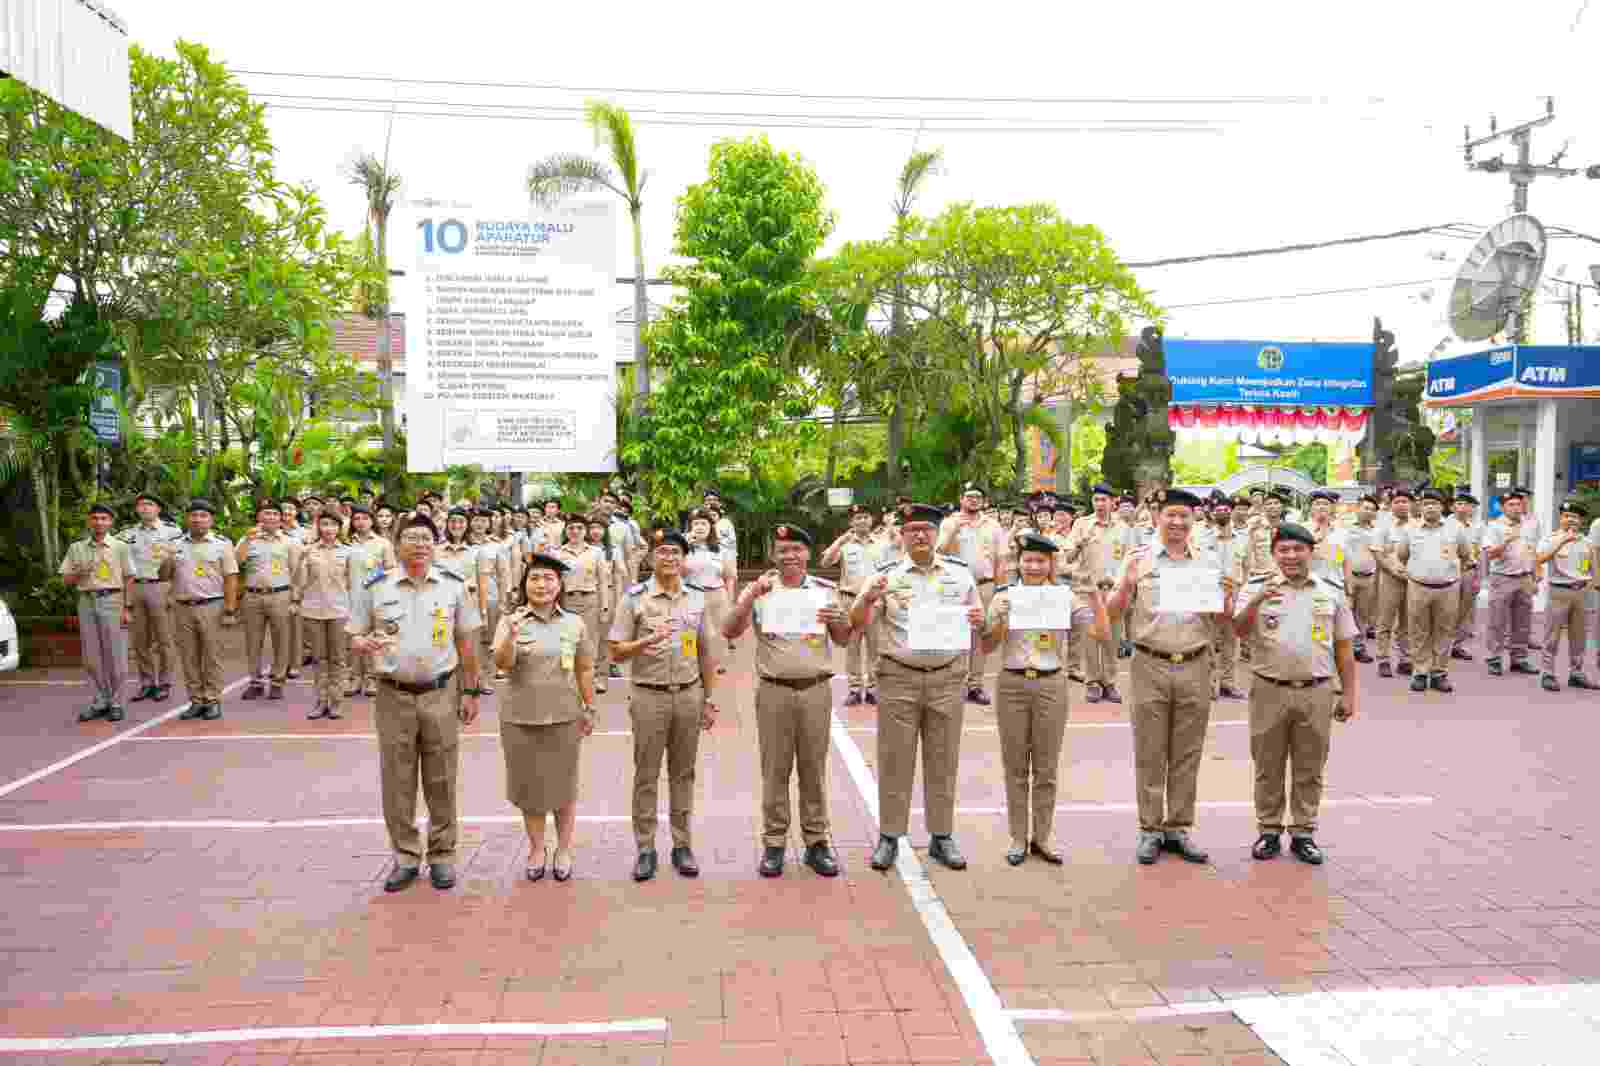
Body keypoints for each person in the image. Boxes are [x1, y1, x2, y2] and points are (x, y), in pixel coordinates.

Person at [347, 513, 483, 893]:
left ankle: (442, 855)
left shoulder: (453, 586)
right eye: (411, 538)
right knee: (397, 780)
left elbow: (467, 643)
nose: (419, 544)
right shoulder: (375, 586)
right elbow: (354, 635)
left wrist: (470, 691)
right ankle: (406, 857)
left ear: (435, 544)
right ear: (396, 544)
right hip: (393, 695)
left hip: (441, 691)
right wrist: (363, 643)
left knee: (441, 778)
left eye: (426, 537)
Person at [849, 503, 983, 873]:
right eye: (912, 530)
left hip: (945, 676)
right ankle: (890, 836)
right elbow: (856, 624)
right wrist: (866, 598)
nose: (920, 535)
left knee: (943, 758)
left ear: (937, 534)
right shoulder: (886, 576)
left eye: (926, 529)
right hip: (899, 676)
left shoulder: (959, 575)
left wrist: (979, 619)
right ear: (902, 536)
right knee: (895, 758)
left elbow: (979, 625)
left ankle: (942, 836)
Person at [1108, 488, 1230, 866]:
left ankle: (1178, 827)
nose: (1177, 522)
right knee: (1150, 749)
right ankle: (1149, 829)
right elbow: (1113, 613)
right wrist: (1127, 583)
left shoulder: (1208, 561)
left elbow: (1224, 619)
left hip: (1195, 661)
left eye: (1185, 516)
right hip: (1150, 663)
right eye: (1171, 514)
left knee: (1187, 751)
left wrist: (1227, 597)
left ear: (1193, 521)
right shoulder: (1138, 559)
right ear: (1157, 516)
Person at [723, 523, 852, 878]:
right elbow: (730, 630)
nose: (790, 556)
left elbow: (842, 639)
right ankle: (775, 843)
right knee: (775, 770)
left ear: (808, 554)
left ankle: (816, 843)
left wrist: (840, 619)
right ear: (773, 556)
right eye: (783, 551)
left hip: (815, 690)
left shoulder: (825, 592)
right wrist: (747, 597)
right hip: (774, 691)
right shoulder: (762, 591)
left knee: (813, 770)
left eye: (796, 549)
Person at [1233, 522, 1359, 865]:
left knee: (1310, 765)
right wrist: (1258, 599)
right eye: (1283, 550)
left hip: (1316, 690)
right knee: (1267, 765)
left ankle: (1304, 832)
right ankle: (1269, 830)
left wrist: (1348, 695)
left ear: (1310, 552)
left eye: (1297, 549)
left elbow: (1344, 649)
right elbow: (1238, 629)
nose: (1290, 556)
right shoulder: (1257, 587)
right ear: (1274, 555)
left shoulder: (1330, 591)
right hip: (1268, 688)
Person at [982, 532, 1110, 865]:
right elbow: (986, 646)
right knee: (1015, 766)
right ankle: (1017, 837)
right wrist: (1001, 622)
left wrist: (1094, 596)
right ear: (1019, 563)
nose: (1034, 566)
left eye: (1041, 561)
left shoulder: (1063, 598)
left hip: (1051, 683)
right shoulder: (1003, 597)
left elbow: (1099, 633)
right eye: (1028, 560)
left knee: (1046, 767)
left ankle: (1042, 836)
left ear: (1050, 564)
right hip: (1012, 683)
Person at [610, 529, 720, 881]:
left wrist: (710, 698)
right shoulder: (634, 599)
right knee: (646, 774)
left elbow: (706, 652)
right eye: (662, 552)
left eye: (675, 552)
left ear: (684, 559)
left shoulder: (697, 599)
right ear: (651, 558)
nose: (668, 558)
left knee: (683, 773)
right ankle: (645, 848)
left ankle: (682, 845)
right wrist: (647, 640)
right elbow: (615, 650)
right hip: (648, 694)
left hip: (688, 694)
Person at [493, 552, 596, 883]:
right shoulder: (510, 620)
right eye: (534, 578)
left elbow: (584, 667)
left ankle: (564, 849)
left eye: (548, 578)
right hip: (521, 717)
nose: (541, 584)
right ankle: (537, 848)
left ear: (559, 584)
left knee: (563, 787)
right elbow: (503, 663)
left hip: (565, 716)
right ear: (525, 584)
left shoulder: (574, 623)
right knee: (530, 789)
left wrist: (589, 706)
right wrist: (509, 635)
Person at [162, 500, 239, 721]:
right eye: (194, 515)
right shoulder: (175, 544)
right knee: (189, 657)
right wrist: (168, 559)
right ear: (187, 519)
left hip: (211, 606)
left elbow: (231, 578)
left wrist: (230, 609)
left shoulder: (222, 544)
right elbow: (164, 575)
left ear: (211, 520)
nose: (198, 519)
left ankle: (213, 700)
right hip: (182, 607)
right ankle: (195, 700)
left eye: (203, 515)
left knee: (212, 656)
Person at [60, 503, 134, 722]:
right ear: (89, 521)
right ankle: (101, 699)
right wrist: (78, 573)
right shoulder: (77, 548)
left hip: (112, 600)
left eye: (103, 518)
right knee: (92, 656)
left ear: (110, 522)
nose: (99, 522)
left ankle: (117, 702)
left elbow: (129, 577)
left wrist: (127, 608)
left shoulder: (120, 547)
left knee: (115, 655)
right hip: (87, 601)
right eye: (95, 518)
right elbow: (66, 579)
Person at [937, 483, 1010, 706]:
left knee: (980, 636)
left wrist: (1001, 589)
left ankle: (975, 685)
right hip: (956, 586)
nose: (974, 500)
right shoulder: (949, 522)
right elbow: (938, 553)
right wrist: (953, 531)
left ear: (984, 501)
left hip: (985, 585)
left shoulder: (994, 526)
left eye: (978, 496)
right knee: (954, 634)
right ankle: (954, 684)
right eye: (969, 496)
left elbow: (1001, 560)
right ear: (961, 499)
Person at [1395, 488, 1471, 694]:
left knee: (1445, 631)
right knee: (1418, 631)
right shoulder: (1411, 530)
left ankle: (1439, 673)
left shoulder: (1455, 529)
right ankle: (1420, 672)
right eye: (1426, 503)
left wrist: (1453, 574)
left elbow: (1466, 555)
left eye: (1434, 504)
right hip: (1418, 587)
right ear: (1420, 507)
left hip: (1448, 588)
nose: (1430, 507)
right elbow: (1401, 555)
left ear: (1442, 507)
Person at [118, 492, 182, 705]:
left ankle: (164, 683)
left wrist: (174, 592)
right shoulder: (127, 534)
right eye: (141, 505)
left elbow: (180, 564)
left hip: (161, 587)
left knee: (165, 639)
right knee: (140, 641)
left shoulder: (172, 532)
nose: (145, 508)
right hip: (136, 587)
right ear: (136, 509)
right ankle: (147, 683)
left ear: (158, 509)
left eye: (150, 504)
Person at [1062, 484, 1122, 703]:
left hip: (1112, 591)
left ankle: (1109, 682)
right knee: (1090, 637)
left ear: (1113, 502)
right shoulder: (1081, 524)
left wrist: (1121, 583)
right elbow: (1067, 557)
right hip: (1086, 590)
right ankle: (1093, 682)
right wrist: (1079, 543)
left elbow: (1129, 558)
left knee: (1111, 638)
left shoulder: (1123, 527)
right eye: (1096, 500)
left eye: (1104, 500)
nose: (1099, 504)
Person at [820, 504, 885, 706]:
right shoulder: (846, 545)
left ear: (872, 520)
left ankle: (874, 688)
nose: (862, 521)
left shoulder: (882, 544)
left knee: (875, 646)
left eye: (865, 517)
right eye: (857, 518)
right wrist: (840, 540)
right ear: (851, 523)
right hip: (850, 600)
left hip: (875, 602)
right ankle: (855, 689)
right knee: (853, 646)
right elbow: (826, 562)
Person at [234, 501, 299, 702]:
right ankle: (255, 682)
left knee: (282, 640)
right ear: (258, 518)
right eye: (266, 513)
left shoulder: (290, 542)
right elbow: (235, 562)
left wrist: (295, 599)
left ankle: (278, 681)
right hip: (252, 596)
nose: (270, 517)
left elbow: (297, 572)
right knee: (253, 641)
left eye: (274, 514)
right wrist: (246, 539)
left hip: (281, 595)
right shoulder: (248, 540)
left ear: (281, 519)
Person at [294, 512, 353, 720]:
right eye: (324, 524)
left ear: (339, 528)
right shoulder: (308, 551)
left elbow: (353, 583)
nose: (328, 529)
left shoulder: (348, 552)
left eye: (333, 525)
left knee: (338, 659)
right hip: (312, 610)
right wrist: (295, 601)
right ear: (318, 527)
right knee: (319, 659)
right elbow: (298, 580)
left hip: (339, 611)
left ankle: (336, 702)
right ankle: (320, 701)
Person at [1535, 501, 1597, 692]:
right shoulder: (1551, 538)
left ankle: (1576, 673)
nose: (1571, 520)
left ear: (1581, 521)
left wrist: (1591, 586)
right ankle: (1548, 673)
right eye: (1567, 516)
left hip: (1581, 591)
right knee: (1552, 634)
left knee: (1579, 635)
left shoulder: (1587, 543)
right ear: (1561, 518)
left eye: (1575, 517)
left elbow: (1594, 568)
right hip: (1559, 591)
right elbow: (1539, 559)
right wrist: (1563, 541)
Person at [1483, 487, 1540, 677]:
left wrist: (1535, 575)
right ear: (1502, 507)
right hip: (1502, 578)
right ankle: (1494, 658)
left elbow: (1534, 551)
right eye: (1511, 504)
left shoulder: (1530, 524)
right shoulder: (1494, 526)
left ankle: (1519, 658)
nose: (1516, 508)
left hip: (1524, 577)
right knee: (1497, 621)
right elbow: (1490, 554)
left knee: (1523, 621)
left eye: (1518, 504)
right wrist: (1505, 542)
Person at [344, 505, 397, 698]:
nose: (360, 522)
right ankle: (354, 677)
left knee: (375, 638)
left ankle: (371, 678)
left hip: (376, 597)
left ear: (371, 520)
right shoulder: (347, 543)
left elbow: (392, 568)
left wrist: (374, 577)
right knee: (354, 638)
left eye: (365, 518)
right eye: (356, 519)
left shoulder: (383, 543)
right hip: (352, 597)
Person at [1205, 493, 1247, 700]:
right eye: (1218, 509)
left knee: (1232, 641)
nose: (1222, 512)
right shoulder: (1203, 539)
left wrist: (1244, 596)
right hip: (1212, 595)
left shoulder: (1242, 539)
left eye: (1225, 509)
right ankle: (1210, 683)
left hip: (1236, 594)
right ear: (1212, 513)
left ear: (1230, 511)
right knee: (1210, 641)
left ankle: (1228, 683)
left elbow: (1248, 568)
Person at [683, 508, 737, 667]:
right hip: (691, 594)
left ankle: (715, 664)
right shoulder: (682, 546)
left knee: (717, 633)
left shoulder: (719, 549)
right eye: (696, 523)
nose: (700, 527)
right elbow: (675, 572)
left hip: (716, 595)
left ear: (710, 527)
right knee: (689, 633)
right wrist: (685, 548)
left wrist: (729, 598)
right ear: (690, 527)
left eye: (704, 523)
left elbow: (729, 575)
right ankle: (689, 663)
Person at [1373, 487, 1416, 678]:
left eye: (1405, 501)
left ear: (1411, 504)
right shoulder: (1383, 527)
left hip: (1413, 580)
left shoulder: (1418, 526)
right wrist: (1390, 569)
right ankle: (1383, 659)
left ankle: (1405, 659)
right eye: (1397, 502)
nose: (1401, 505)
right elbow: (1377, 552)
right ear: (1391, 505)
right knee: (1385, 621)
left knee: (1407, 621)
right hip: (1389, 578)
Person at [586, 515, 627, 693]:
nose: (595, 532)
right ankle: (583, 675)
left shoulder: (613, 551)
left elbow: (619, 577)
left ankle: (600, 677)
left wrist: (618, 602)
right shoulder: (583, 550)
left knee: (603, 639)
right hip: (586, 595)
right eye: (593, 527)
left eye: (600, 528)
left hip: (608, 595)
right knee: (586, 637)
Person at [1444, 493, 1484, 662]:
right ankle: (1442, 644)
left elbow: (1480, 552)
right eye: (1458, 503)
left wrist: (1478, 577)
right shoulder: (1445, 524)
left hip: (1468, 571)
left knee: (1465, 610)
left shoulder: (1478, 527)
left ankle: (1457, 645)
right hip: (1449, 571)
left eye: (1465, 504)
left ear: (1471, 508)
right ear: (1453, 507)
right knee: (1446, 610)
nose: (1461, 507)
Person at [1342, 495, 1381, 663]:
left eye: (1372, 509)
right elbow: (1339, 553)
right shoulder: (1345, 528)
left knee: (1362, 616)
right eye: (1365, 508)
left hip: (1369, 578)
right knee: (1344, 614)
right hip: (1349, 577)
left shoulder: (1377, 531)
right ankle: (1342, 648)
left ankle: (1358, 648)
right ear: (1358, 508)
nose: (1368, 511)